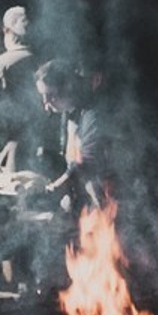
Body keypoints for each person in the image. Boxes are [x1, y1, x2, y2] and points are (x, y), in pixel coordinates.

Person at [0, 6, 56, 182]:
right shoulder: (47, 66)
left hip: (2, 149)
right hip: (37, 147)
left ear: (7, 33)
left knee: (1, 200)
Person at [35, 59, 109, 213]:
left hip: (109, 200)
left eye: (50, 95)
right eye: (42, 96)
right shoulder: (70, 109)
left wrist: (56, 187)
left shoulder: (93, 112)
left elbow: (88, 161)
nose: (45, 103)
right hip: (86, 200)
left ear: (69, 87)